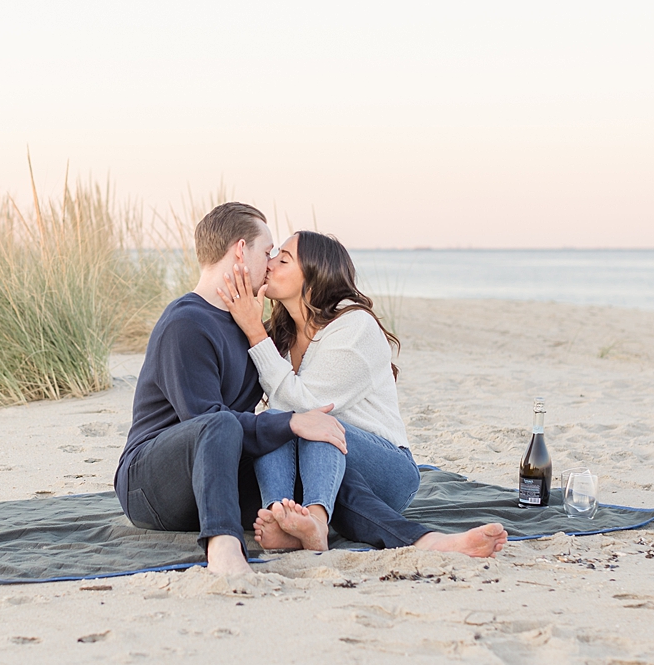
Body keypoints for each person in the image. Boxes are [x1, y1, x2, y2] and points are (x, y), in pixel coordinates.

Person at [216, 230, 507, 558]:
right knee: (274, 425)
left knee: (317, 424)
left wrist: (253, 329)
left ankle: (314, 519)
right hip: (322, 475)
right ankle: (285, 520)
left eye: (283, 259)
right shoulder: (280, 335)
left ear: (315, 275)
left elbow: (308, 407)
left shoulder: (355, 327)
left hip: (385, 468)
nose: (269, 265)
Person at [114, 203, 350, 577]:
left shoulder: (248, 324)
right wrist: (289, 422)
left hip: (218, 476)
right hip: (150, 485)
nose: (271, 262)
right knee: (220, 424)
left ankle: (416, 537)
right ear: (241, 250)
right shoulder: (185, 323)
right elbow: (205, 422)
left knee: (304, 488)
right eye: (267, 251)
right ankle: (222, 545)